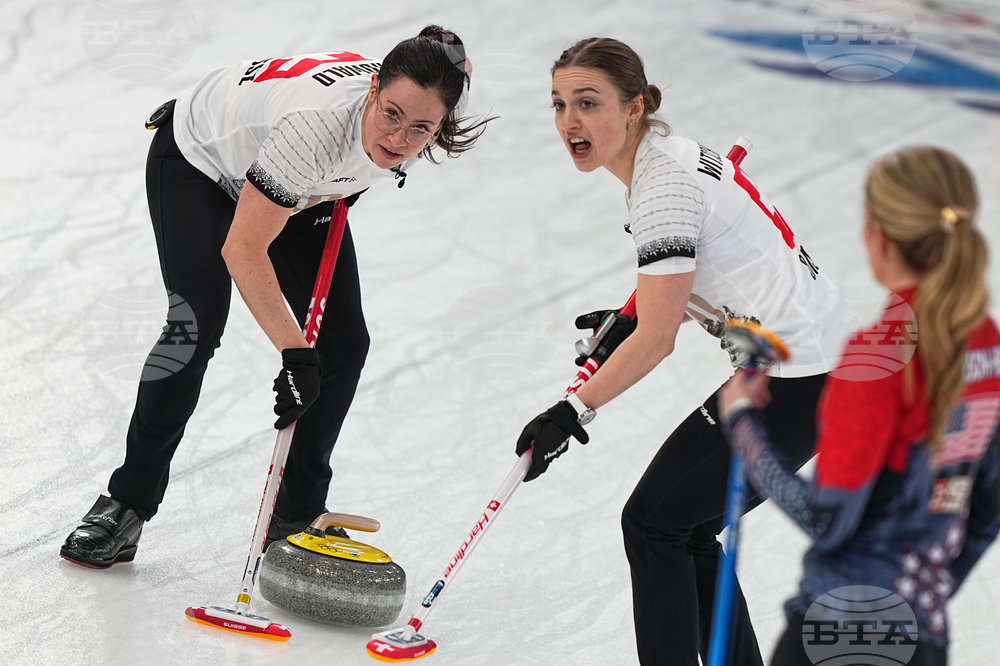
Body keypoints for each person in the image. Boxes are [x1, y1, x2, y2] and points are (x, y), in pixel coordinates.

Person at [61, 26, 492, 569]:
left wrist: (446, 46)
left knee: (344, 344)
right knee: (196, 325)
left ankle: (294, 519)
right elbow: (243, 250)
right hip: (202, 161)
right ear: (373, 88)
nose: (400, 139)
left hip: (297, 185)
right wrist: (294, 354)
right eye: (390, 114)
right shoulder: (313, 128)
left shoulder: (432, 93)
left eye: (421, 128)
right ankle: (125, 504)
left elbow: (458, 64)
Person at [513, 38, 859, 666]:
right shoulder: (668, 158)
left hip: (800, 374)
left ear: (635, 106)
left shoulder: (661, 188)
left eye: (588, 103)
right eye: (560, 104)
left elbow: (658, 339)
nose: (570, 122)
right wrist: (633, 315)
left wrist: (572, 411)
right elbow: (675, 291)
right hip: (817, 364)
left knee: (653, 525)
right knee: (685, 528)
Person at [718, 146, 1000, 666]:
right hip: (922, 640)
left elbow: (825, 518)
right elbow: (986, 510)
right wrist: (921, 594)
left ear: (878, 235)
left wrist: (742, 423)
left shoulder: (878, 356)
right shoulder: (984, 345)